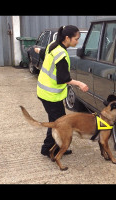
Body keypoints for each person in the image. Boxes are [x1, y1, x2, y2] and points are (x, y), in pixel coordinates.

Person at [34, 25, 89, 157]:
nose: (77, 42)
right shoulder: (61, 54)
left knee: (56, 121)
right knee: (58, 123)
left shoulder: (54, 45)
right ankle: (48, 149)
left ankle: (51, 148)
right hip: (50, 95)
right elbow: (64, 78)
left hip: (44, 92)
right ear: (67, 38)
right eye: (76, 39)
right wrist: (80, 83)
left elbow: (44, 54)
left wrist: (37, 50)